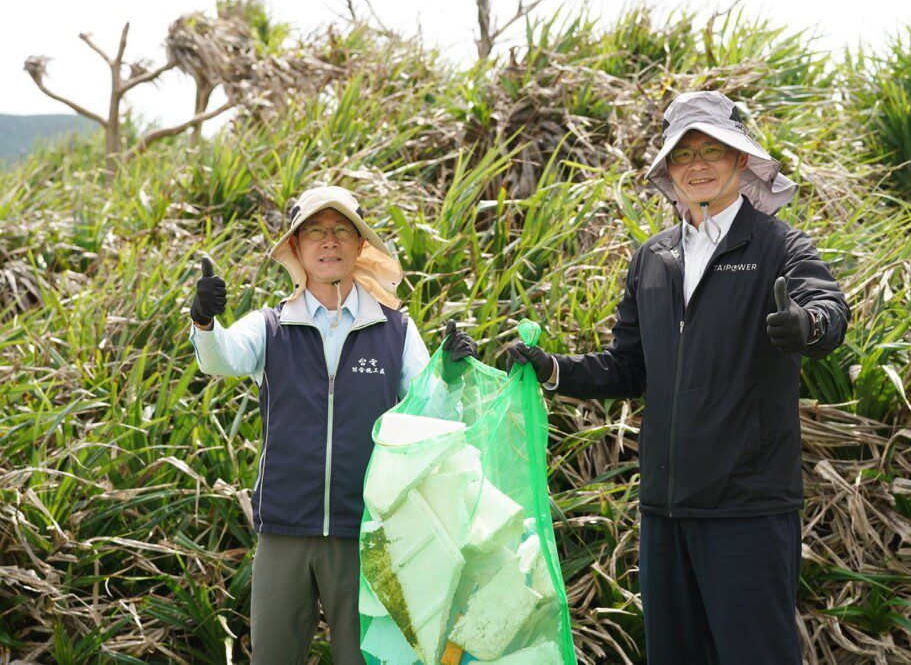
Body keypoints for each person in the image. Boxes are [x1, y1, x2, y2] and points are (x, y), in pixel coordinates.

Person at [509, 91, 850, 664]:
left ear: (741, 159)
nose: (697, 164)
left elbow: (829, 307)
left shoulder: (777, 244)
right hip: (665, 510)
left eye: (711, 150)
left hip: (748, 505)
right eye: (683, 153)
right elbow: (629, 366)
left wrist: (807, 325)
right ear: (668, 168)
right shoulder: (654, 259)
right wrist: (553, 370)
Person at [188, 185, 476, 664]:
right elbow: (223, 358)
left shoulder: (396, 329)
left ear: (360, 246)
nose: (329, 241)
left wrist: (451, 374)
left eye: (342, 230)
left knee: (362, 660)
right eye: (315, 231)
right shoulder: (271, 325)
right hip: (283, 529)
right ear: (297, 248)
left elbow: (435, 415)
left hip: (367, 532)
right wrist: (203, 321)